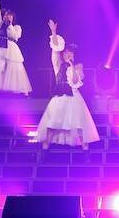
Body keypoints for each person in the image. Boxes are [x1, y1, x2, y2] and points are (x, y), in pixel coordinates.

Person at [35, 20, 99, 150]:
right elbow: (55, 49)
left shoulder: (78, 67)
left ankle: (86, 153)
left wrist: (72, 65)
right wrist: (53, 32)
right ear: (63, 54)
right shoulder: (58, 65)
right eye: (67, 53)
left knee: (79, 126)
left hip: (74, 97)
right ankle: (43, 153)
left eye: (71, 53)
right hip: (59, 98)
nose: (69, 54)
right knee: (52, 125)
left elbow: (75, 81)